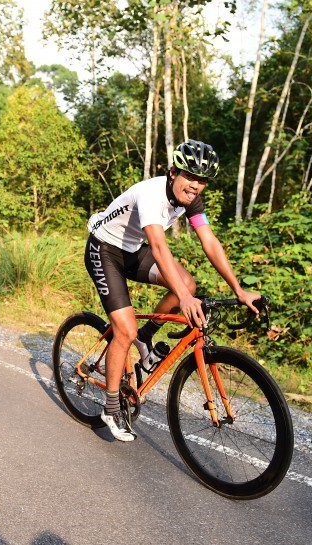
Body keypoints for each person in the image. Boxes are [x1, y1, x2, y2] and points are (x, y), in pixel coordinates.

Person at [84, 140, 262, 441]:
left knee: (188, 284)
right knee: (125, 329)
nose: (195, 185)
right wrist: (184, 298)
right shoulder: (151, 194)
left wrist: (239, 290)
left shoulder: (191, 200)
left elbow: (209, 242)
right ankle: (111, 408)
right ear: (172, 173)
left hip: (131, 250)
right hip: (104, 250)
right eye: (189, 176)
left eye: (202, 180)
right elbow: (158, 246)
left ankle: (146, 336)